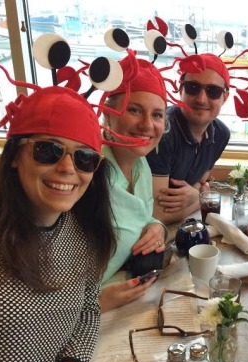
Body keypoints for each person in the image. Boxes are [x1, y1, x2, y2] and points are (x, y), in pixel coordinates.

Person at [0, 86, 116, 362]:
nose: (68, 168)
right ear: (15, 155)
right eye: (48, 151)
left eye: (84, 158)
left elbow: (87, 310)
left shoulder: (83, 232)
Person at [98, 57, 169, 312]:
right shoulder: (86, 172)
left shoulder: (141, 165)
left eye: (157, 115)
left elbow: (142, 216)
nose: (147, 125)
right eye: (135, 110)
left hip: (120, 288)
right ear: (108, 114)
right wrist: (96, 303)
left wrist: (156, 227)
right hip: (77, 310)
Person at [146, 53, 231, 224]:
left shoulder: (221, 134)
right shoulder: (163, 131)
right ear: (180, 89)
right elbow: (156, 213)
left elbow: (201, 182)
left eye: (213, 91)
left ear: (225, 97)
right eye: (193, 87)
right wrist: (200, 198)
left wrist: (198, 192)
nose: (201, 99)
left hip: (182, 223)